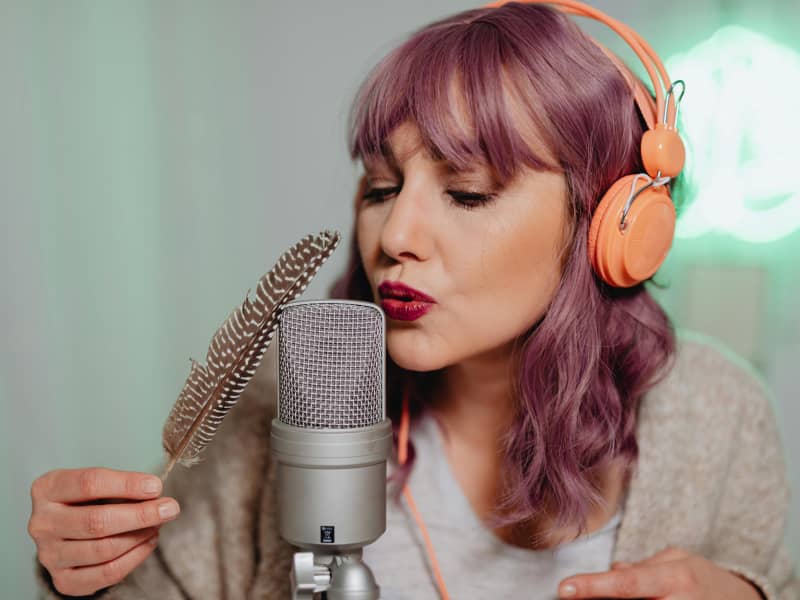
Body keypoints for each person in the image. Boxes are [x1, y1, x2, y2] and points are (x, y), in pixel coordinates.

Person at [28, 1, 797, 599]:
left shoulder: (715, 414)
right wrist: (81, 576)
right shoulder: (282, 405)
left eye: (466, 193)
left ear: (608, 229)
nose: (395, 234)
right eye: (382, 188)